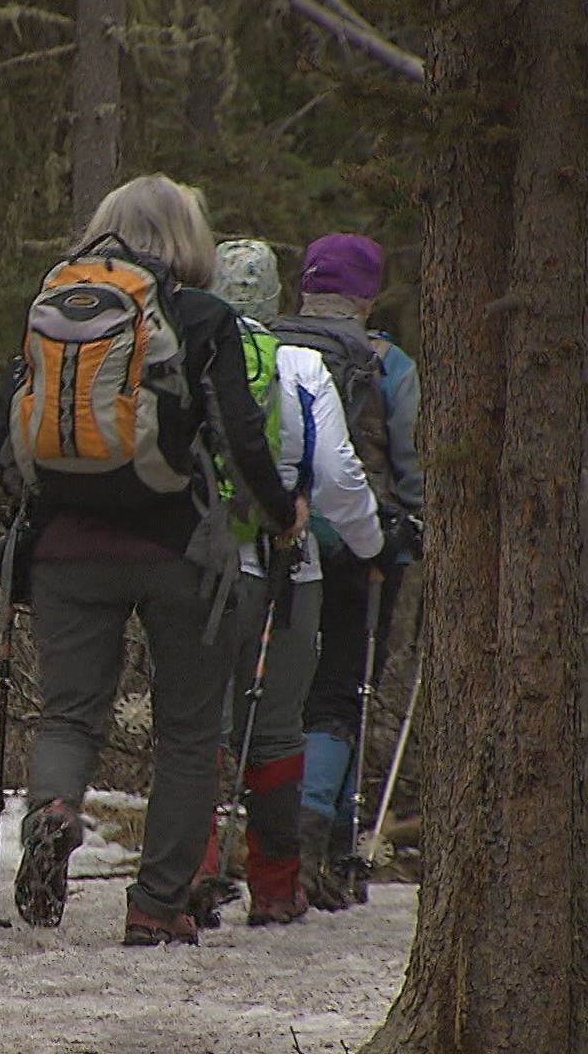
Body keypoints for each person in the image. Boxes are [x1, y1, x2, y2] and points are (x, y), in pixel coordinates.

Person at [0, 176, 306, 946]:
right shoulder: (203, 317)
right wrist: (281, 513)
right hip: (180, 550)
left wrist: (25, 514)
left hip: (68, 548)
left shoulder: (55, 309)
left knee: (68, 714)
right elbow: (239, 429)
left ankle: (55, 811)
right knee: (188, 734)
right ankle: (157, 904)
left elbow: (5, 424)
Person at [199, 239, 382, 926]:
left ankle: (188, 873)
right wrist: (370, 544)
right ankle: (276, 888)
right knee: (275, 731)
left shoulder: (185, 356)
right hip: (287, 571)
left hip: (197, 569)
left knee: (194, 728)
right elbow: (336, 477)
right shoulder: (299, 365)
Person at [274, 234, 423, 911]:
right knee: (340, 694)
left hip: (274, 539)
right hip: (362, 547)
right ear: (367, 295)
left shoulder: (264, 345)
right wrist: (412, 527)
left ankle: (277, 847)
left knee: (276, 693)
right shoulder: (389, 364)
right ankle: (322, 850)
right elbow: (410, 461)